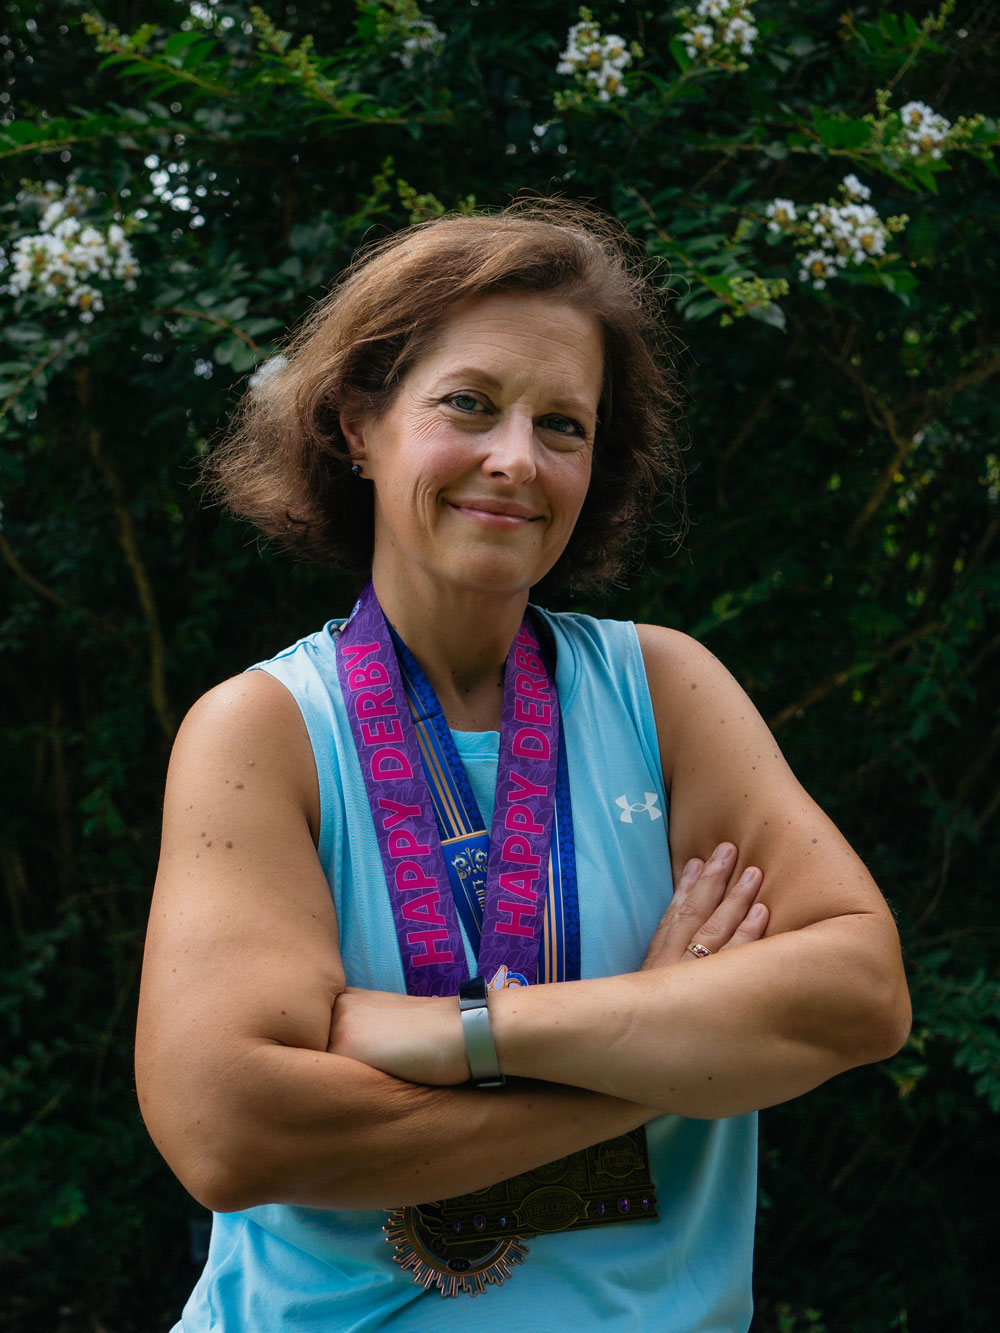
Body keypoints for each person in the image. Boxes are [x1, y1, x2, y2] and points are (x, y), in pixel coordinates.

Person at [136, 203, 911, 1331]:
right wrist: (667, 1034)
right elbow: (229, 1132)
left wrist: (470, 1035)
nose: (514, 458)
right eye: (469, 403)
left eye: (563, 425)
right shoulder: (261, 731)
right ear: (359, 424)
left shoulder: (667, 693)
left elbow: (859, 998)